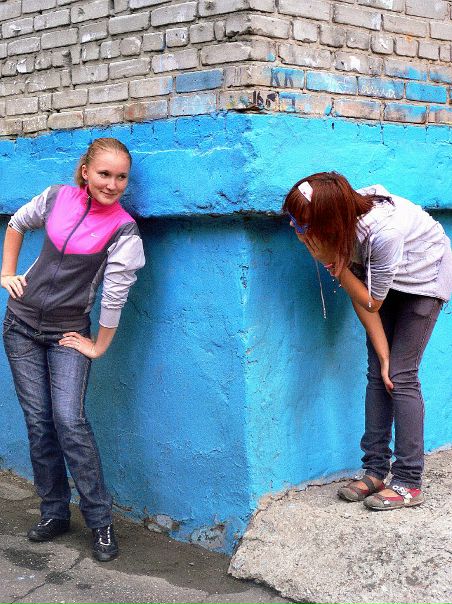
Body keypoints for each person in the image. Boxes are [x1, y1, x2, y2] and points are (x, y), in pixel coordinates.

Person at [1, 137, 145, 560]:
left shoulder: (123, 229)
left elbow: (114, 294)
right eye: (104, 174)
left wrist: (98, 345)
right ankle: (54, 513)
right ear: (85, 171)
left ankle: (100, 522)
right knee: (39, 422)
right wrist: (7, 273)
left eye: (121, 177)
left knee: (70, 421)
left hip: (67, 334)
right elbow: (17, 223)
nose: (112, 184)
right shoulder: (56, 198)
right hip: (20, 326)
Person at [283, 172, 452, 510]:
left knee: (402, 376)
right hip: (384, 283)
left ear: (328, 224)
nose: (293, 227)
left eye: (300, 223)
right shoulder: (340, 221)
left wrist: (334, 265)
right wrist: (383, 354)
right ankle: (375, 470)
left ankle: (408, 481)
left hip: (424, 278)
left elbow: (371, 301)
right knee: (379, 373)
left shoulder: (382, 234)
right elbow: (365, 303)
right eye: (292, 218)